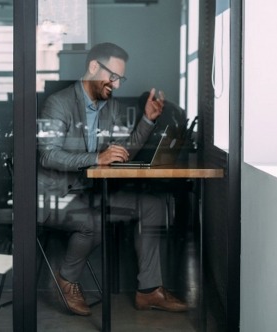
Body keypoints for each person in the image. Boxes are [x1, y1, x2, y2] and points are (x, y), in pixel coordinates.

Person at [37, 42, 187, 316]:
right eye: (113, 77)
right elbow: (48, 155)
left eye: (121, 79)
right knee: (93, 221)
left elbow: (122, 153)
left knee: (153, 206)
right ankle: (67, 279)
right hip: (53, 198)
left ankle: (149, 290)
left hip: (90, 195)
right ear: (94, 67)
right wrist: (96, 158)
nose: (116, 85)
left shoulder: (112, 108)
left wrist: (147, 120)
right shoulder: (57, 104)